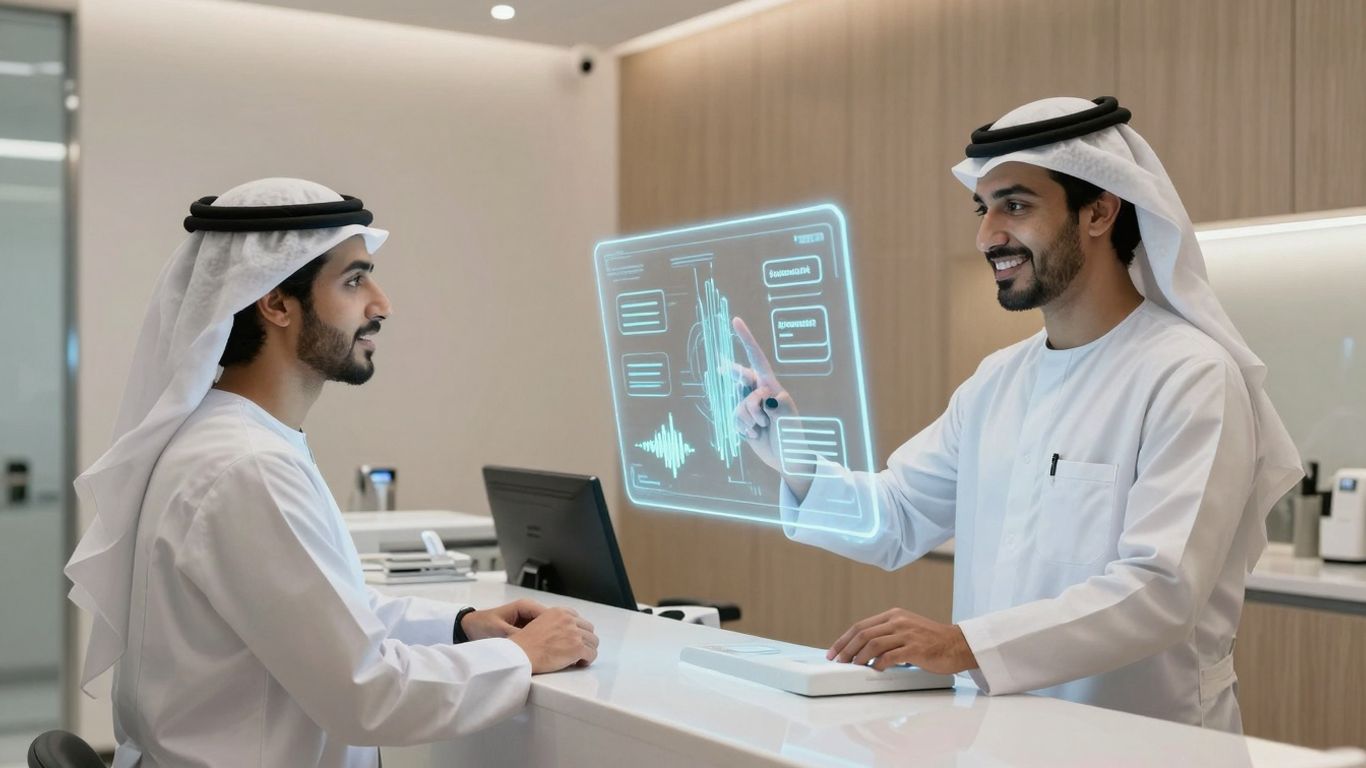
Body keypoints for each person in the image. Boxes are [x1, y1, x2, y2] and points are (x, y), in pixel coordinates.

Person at [731, 97, 1301, 731]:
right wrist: (795, 457)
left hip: (1143, 742)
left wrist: (964, 646)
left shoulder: (1189, 374)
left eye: (1017, 205)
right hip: (1001, 737)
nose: (987, 235)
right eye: (984, 207)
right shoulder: (996, 382)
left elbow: (1160, 591)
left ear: (1100, 210)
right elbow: (895, 513)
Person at [64, 178, 599, 767]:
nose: (381, 304)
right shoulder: (246, 467)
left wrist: (462, 624)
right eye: (353, 280)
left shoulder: (234, 439)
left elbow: (331, 616)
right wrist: (522, 656)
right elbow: (368, 693)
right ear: (276, 303)